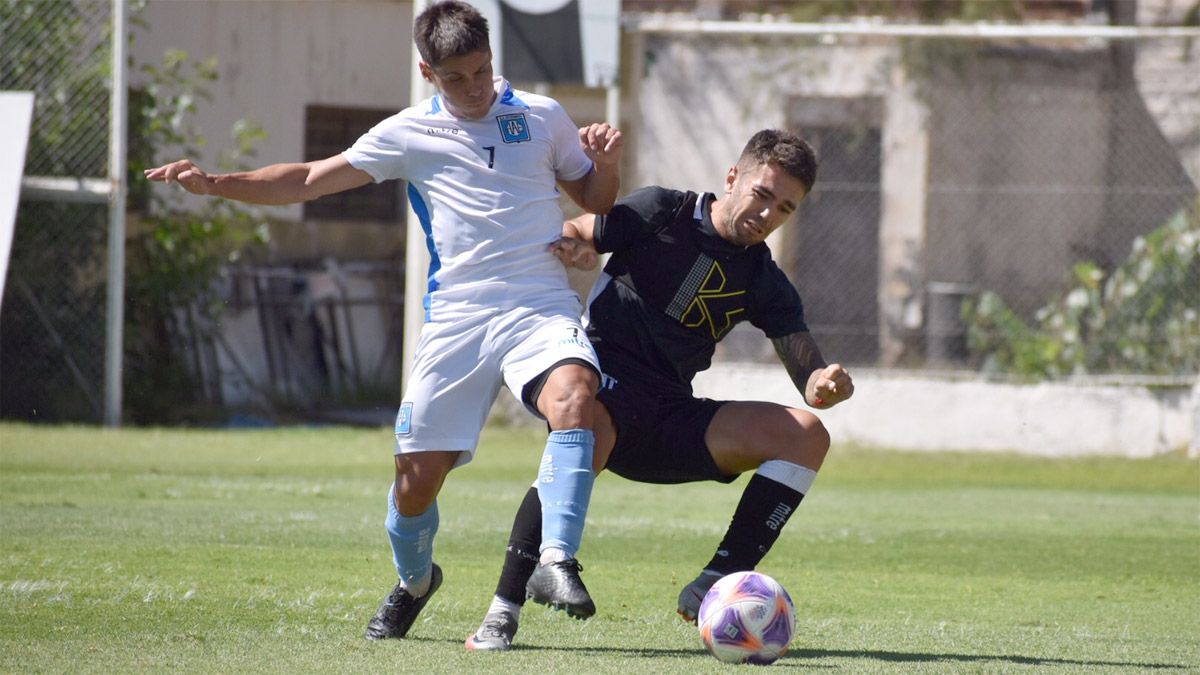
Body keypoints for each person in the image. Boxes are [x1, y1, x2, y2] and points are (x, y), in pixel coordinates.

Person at [144, 0, 623, 641]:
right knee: (414, 485)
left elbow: (594, 198)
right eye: (456, 78)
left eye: (482, 71)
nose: (474, 88)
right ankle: (416, 581)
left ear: (492, 59)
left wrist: (605, 164)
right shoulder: (406, 132)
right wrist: (217, 183)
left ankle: (556, 559)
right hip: (457, 318)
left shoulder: (542, 115)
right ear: (428, 73)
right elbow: (308, 179)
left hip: (539, 303)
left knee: (576, 396)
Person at [465, 129, 854, 651]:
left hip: (669, 415)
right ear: (732, 178)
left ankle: (719, 578)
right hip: (601, 391)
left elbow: (807, 372)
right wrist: (577, 247)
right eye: (762, 194)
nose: (767, 214)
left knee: (806, 435)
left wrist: (822, 383)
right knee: (586, 421)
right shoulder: (663, 211)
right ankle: (502, 612)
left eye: (784, 208)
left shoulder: (763, 277)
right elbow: (579, 229)